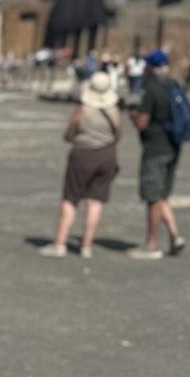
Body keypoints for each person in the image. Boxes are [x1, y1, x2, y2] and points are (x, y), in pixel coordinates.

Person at [38, 69, 124, 258]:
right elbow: (118, 135)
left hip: (83, 154)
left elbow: (69, 134)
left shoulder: (83, 111)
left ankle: (60, 243)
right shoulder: (115, 111)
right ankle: (87, 245)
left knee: (71, 198)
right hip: (107, 155)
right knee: (96, 200)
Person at [128, 50, 185, 260]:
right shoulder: (174, 86)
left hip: (155, 148)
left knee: (152, 196)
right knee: (162, 195)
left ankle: (152, 244)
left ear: (150, 68)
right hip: (173, 147)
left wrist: (133, 117)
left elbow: (142, 123)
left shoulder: (151, 91)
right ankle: (175, 235)